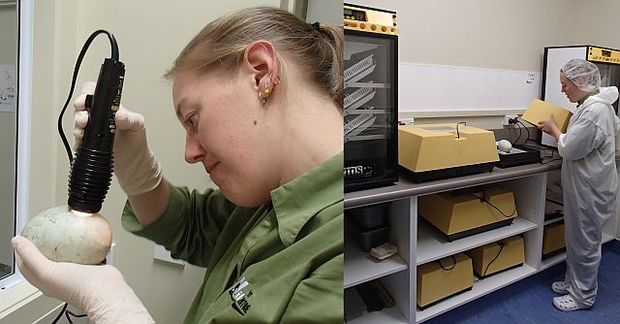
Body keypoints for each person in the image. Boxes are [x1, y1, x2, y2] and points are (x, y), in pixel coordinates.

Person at [12, 6, 344, 323]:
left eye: (193, 119)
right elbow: (191, 226)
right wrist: (138, 170)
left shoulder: (343, 252)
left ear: (260, 72)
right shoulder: (265, 197)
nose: (190, 153)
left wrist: (112, 307)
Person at [538, 58, 619, 311]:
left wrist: (554, 129)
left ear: (580, 82)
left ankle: (582, 296)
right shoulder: (594, 104)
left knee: (584, 244)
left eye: (565, 85)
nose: (563, 90)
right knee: (577, 240)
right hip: (586, 187)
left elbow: (570, 149)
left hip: (589, 191)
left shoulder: (594, 111)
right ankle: (574, 283)